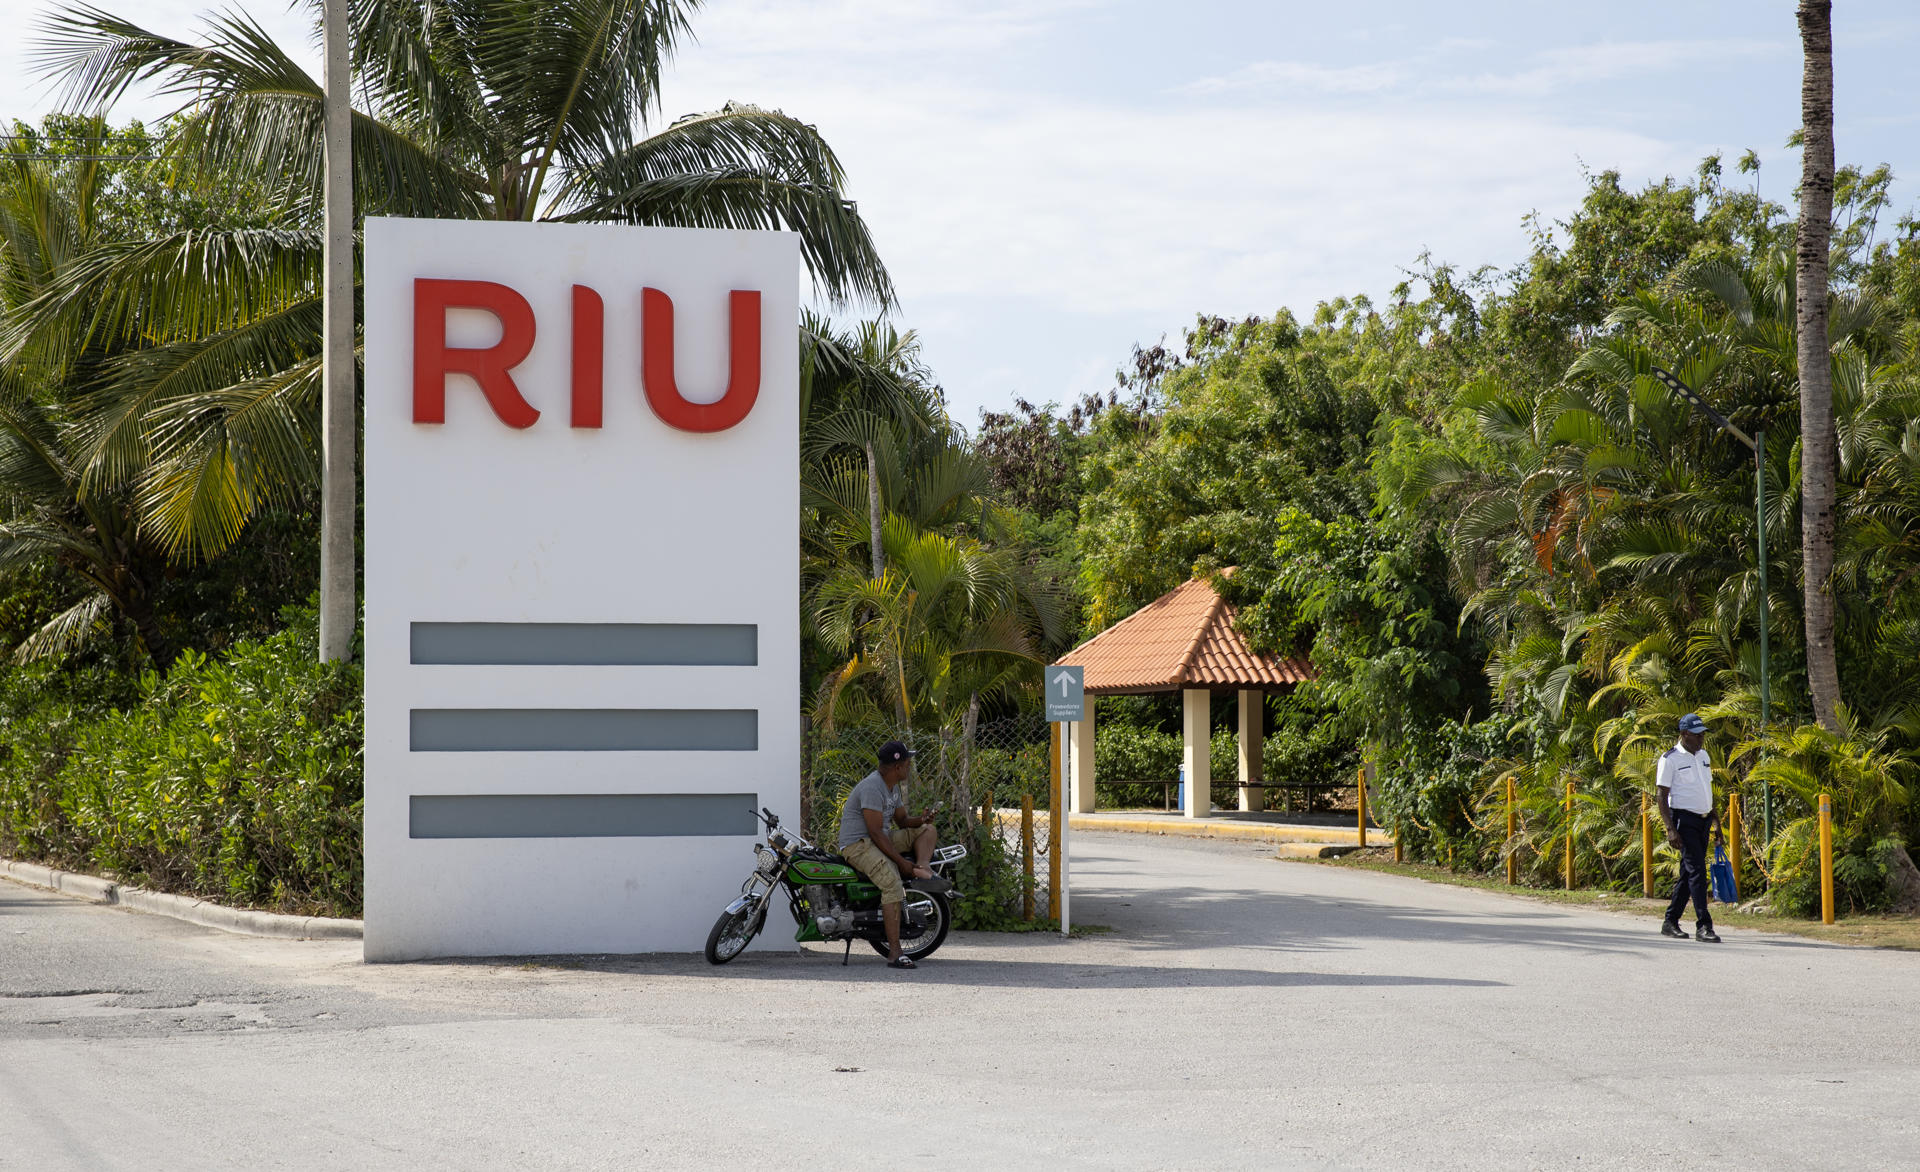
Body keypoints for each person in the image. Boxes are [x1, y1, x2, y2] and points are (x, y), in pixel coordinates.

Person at [837, 741, 937, 969]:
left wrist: (921, 820)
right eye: (907, 764)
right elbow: (874, 832)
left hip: (879, 837)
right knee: (892, 882)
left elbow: (901, 821)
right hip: (858, 845)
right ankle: (894, 953)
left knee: (928, 831)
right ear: (897, 767)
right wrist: (901, 862)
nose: (909, 768)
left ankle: (923, 868)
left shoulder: (892, 787)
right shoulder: (873, 787)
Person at [1657, 712, 1722, 943]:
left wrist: (1716, 821)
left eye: (1702, 734)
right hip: (1684, 821)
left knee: (1687, 874)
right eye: (1696, 735)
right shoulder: (1670, 759)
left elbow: (1706, 790)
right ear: (1684, 734)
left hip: (1704, 820)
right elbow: (1661, 796)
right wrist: (1670, 829)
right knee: (1697, 872)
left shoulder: (1703, 755)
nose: (1701, 739)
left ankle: (1670, 921)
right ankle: (1704, 925)